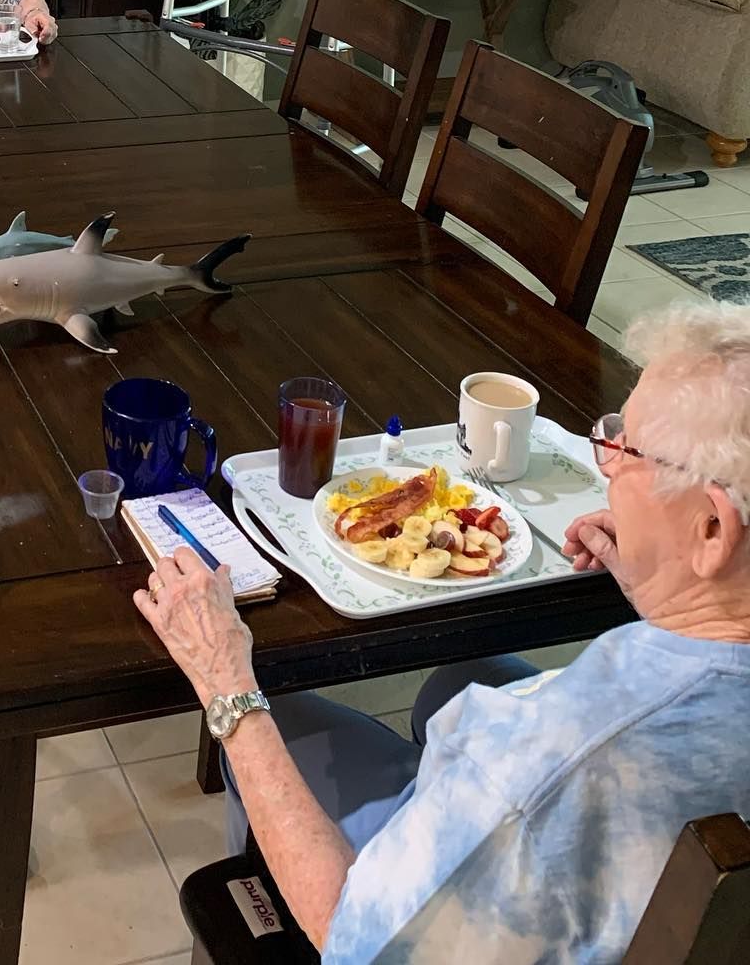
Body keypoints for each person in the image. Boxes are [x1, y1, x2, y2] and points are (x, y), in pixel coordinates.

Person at [134, 302, 750, 962]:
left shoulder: (545, 761)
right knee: (457, 685)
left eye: (624, 450)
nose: (606, 467)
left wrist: (225, 683)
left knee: (269, 717)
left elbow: (353, 936)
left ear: (711, 530)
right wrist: (671, 593)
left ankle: (264, 924)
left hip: (396, 921)